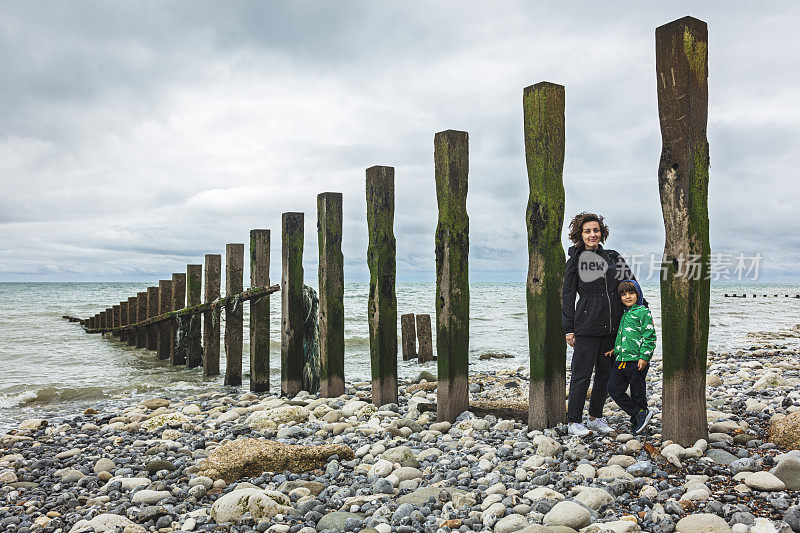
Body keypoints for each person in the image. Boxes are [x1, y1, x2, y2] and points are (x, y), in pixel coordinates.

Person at [562, 212, 644, 437]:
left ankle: (595, 417)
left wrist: (641, 312)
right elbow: (568, 295)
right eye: (587, 231)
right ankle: (574, 421)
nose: (592, 234)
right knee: (581, 374)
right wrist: (568, 328)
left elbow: (631, 285)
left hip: (613, 328)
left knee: (605, 374)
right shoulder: (575, 261)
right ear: (580, 234)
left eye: (596, 230)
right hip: (586, 327)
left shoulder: (613, 257)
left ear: (602, 233)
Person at [605, 279, 655, 434]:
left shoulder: (643, 311)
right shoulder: (624, 313)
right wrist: (616, 349)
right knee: (613, 388)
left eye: (631, 293)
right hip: (621, 360)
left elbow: (649, 336)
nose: (627, 297)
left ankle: (638, 422)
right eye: (624, 294)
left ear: (638, 294)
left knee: (638, 392)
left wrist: (644, 357)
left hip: (636, 360)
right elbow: (625, 335)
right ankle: (639, 413)